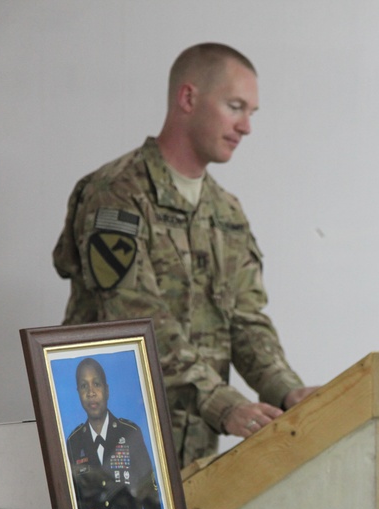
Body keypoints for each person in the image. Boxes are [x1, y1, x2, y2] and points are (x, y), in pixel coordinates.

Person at [53, 43, 318, 468]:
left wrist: (286, 390)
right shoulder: (117, 195)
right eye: (235, 107)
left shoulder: (226, 211)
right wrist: (223, 403)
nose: (246, 126)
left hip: (194, 452)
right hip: (113, 447)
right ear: (188, 99)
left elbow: (246, 321)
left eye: (252, 113)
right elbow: (135, 322)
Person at [66, 357, 161, 509]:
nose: (91, 392)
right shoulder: (74, 441)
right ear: (78, 392)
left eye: (97, 384)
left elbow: (149, 489)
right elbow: (74, 499)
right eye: (84, 386)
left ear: (107, 390)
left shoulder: (130, 432)